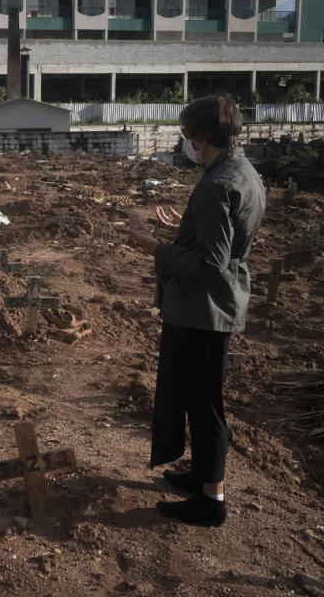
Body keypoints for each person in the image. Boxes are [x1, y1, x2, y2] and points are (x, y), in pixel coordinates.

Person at [126, 94, 265, 527]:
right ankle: (202, 477)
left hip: (203, 311)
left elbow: (210, 263)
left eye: (187, 136)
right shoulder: (242, 171)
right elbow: (227, 238)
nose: (186, 144)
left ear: (202, 138)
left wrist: (154, 246)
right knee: (194, 394)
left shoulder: (214, 184)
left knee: (204, 404)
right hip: (215, 305)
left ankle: (212, 500)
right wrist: (182, 229)